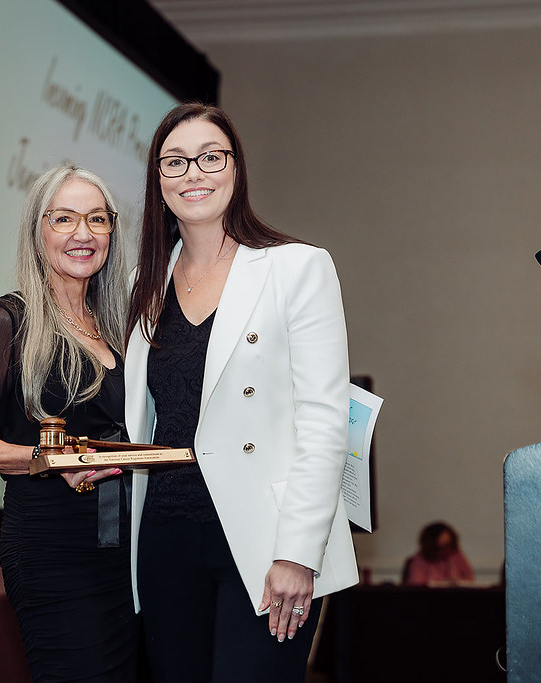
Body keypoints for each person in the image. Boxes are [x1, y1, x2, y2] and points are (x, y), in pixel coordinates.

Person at [124, 102, 359, 682]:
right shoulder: (142, 284)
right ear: (158, 181)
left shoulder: (297, 268)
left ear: (236, 168)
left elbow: (325, 420)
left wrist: (298, 553)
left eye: (210, 157)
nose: (193, 173)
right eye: (175, 162)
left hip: (264, 540)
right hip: (165, 534)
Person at [0, 164, 138, 682]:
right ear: (38, 232)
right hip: (53, 551)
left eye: (97, 219)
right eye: (64, 218)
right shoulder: (9, 320)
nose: (83, 233)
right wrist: (50, 459)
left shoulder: (119, 328)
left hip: (123, 550)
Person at [403, 521, 474, 586]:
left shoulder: (455, 554)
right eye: (441, 547)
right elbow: (416, 586)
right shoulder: (419, 560)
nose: (446, 551)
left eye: (448, 545)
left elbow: (469, 578)